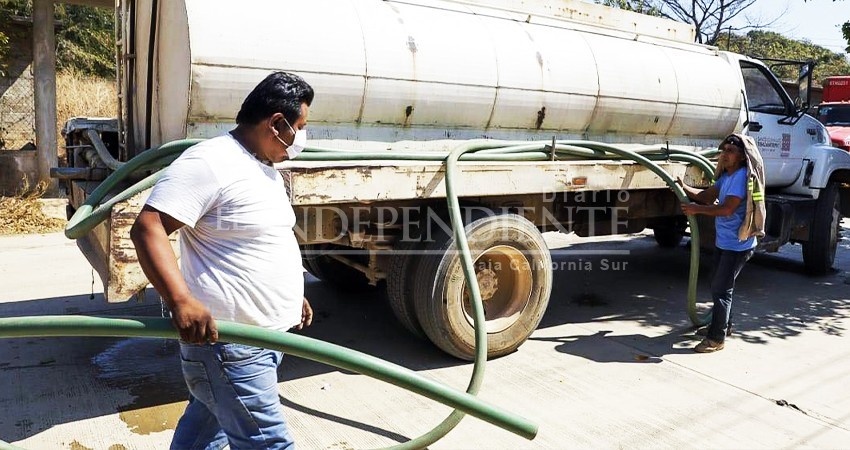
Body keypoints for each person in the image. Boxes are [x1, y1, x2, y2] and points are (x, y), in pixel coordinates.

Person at [130, 71, 315, 449]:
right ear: (276, 123)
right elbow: (147, 227)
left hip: (264, 338)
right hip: (230, 346)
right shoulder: (211, 162)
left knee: (203, 435)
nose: (302, 139)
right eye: (300, 127)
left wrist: (292, 293)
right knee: (269, 444)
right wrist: (181, 301)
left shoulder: (264, 168)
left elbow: (265, 238)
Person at [676, 133, 765, 353]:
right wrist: (683, 187)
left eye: (730, 151)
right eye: (724, 150)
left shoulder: (742, 177)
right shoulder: (727, 176)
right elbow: (708, 197)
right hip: (725, 242)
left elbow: (727, 209)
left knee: (721, 289)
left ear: (742, 157)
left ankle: (716, 338)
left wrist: (697, 210)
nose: (724, 154)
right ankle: (725, 326)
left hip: (738, 245)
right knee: (719, 285)